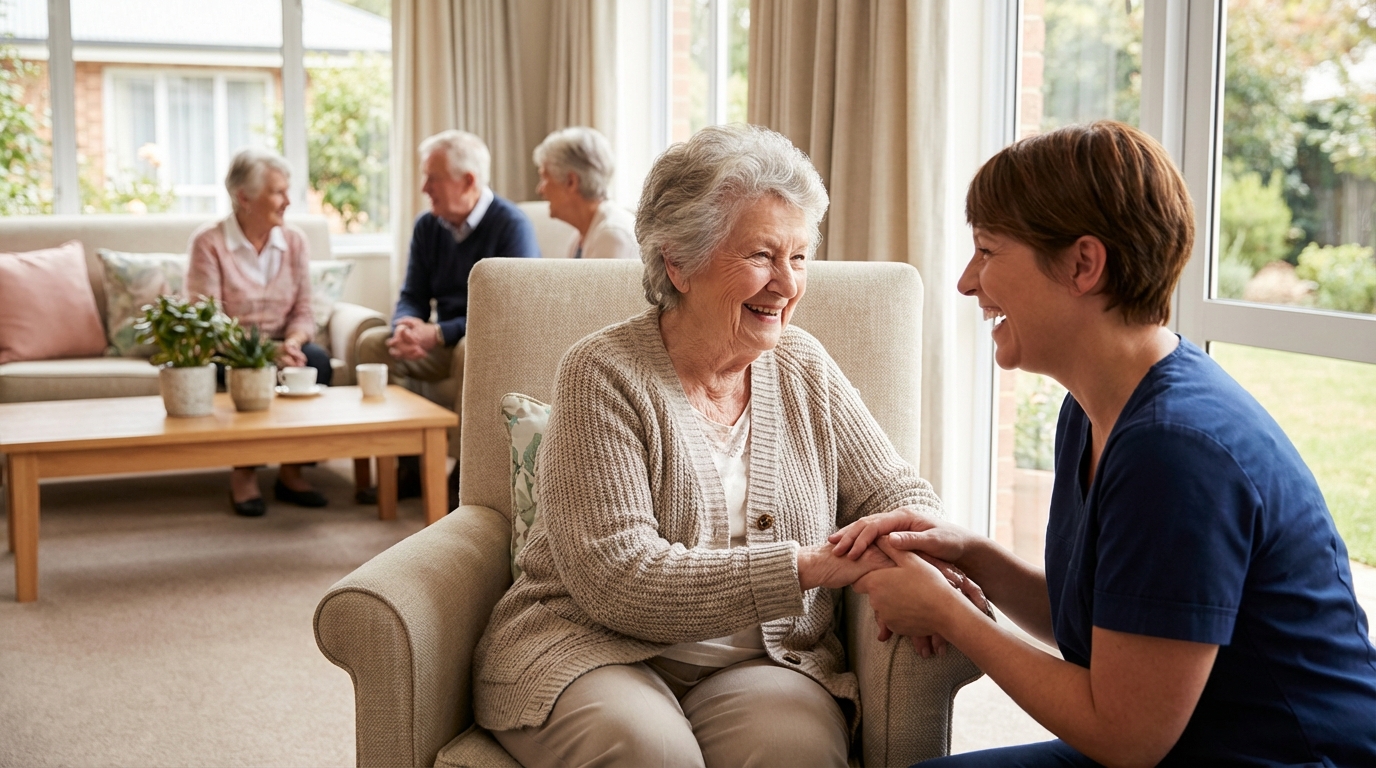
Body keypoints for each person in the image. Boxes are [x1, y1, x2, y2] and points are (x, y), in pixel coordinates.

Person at [832, 121, 1376, 767]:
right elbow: (1116, 624)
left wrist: (953, 619)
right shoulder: (1094, 408)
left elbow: (1126, 737)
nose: (967, 282)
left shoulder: (1174, 452)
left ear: (1084, 265)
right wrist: (972, 554)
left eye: (987, 251)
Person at [472, 124, 966, 768]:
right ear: (677, 261)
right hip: (592, 646)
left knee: (800, 752)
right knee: (652, 752)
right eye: (761, 255)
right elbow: (619, 578)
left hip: (765, 660)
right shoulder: (601, 373)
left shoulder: (803, 366)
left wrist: (921, 549)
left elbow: (892, 488)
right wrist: (808, 567)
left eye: (799, 258)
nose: (786, 285)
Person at [356, 130, 539, 502]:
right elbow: (412, 294)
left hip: (484, 339)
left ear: (468, 180)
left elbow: (510, 309)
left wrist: (438, 333)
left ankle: (461, 482)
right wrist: (405, 325)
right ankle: (408, 469)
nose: (425, 187)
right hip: (440, 338)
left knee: (468, 349)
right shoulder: (428, 226)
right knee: (374, 344)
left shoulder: (511, 226)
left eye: (432, 178)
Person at [186, 148, 330, 517]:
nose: (287, 201)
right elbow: (210, 321)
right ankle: (244, 474)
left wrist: (293, 343)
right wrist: (266, 352)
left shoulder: (294, 241)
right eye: (278, 192)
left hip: (284, 345)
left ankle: (291, 471)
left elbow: (303, 309)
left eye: (287, 191)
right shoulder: (209, 243)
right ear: (244, 197)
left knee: (315, 362)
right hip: (230, 351)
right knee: (246, 373)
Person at [533, 126, 638, 260]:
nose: (540, 190)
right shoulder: (582, 234)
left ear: (571, 182)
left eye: (545, 178)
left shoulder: (611, 236)